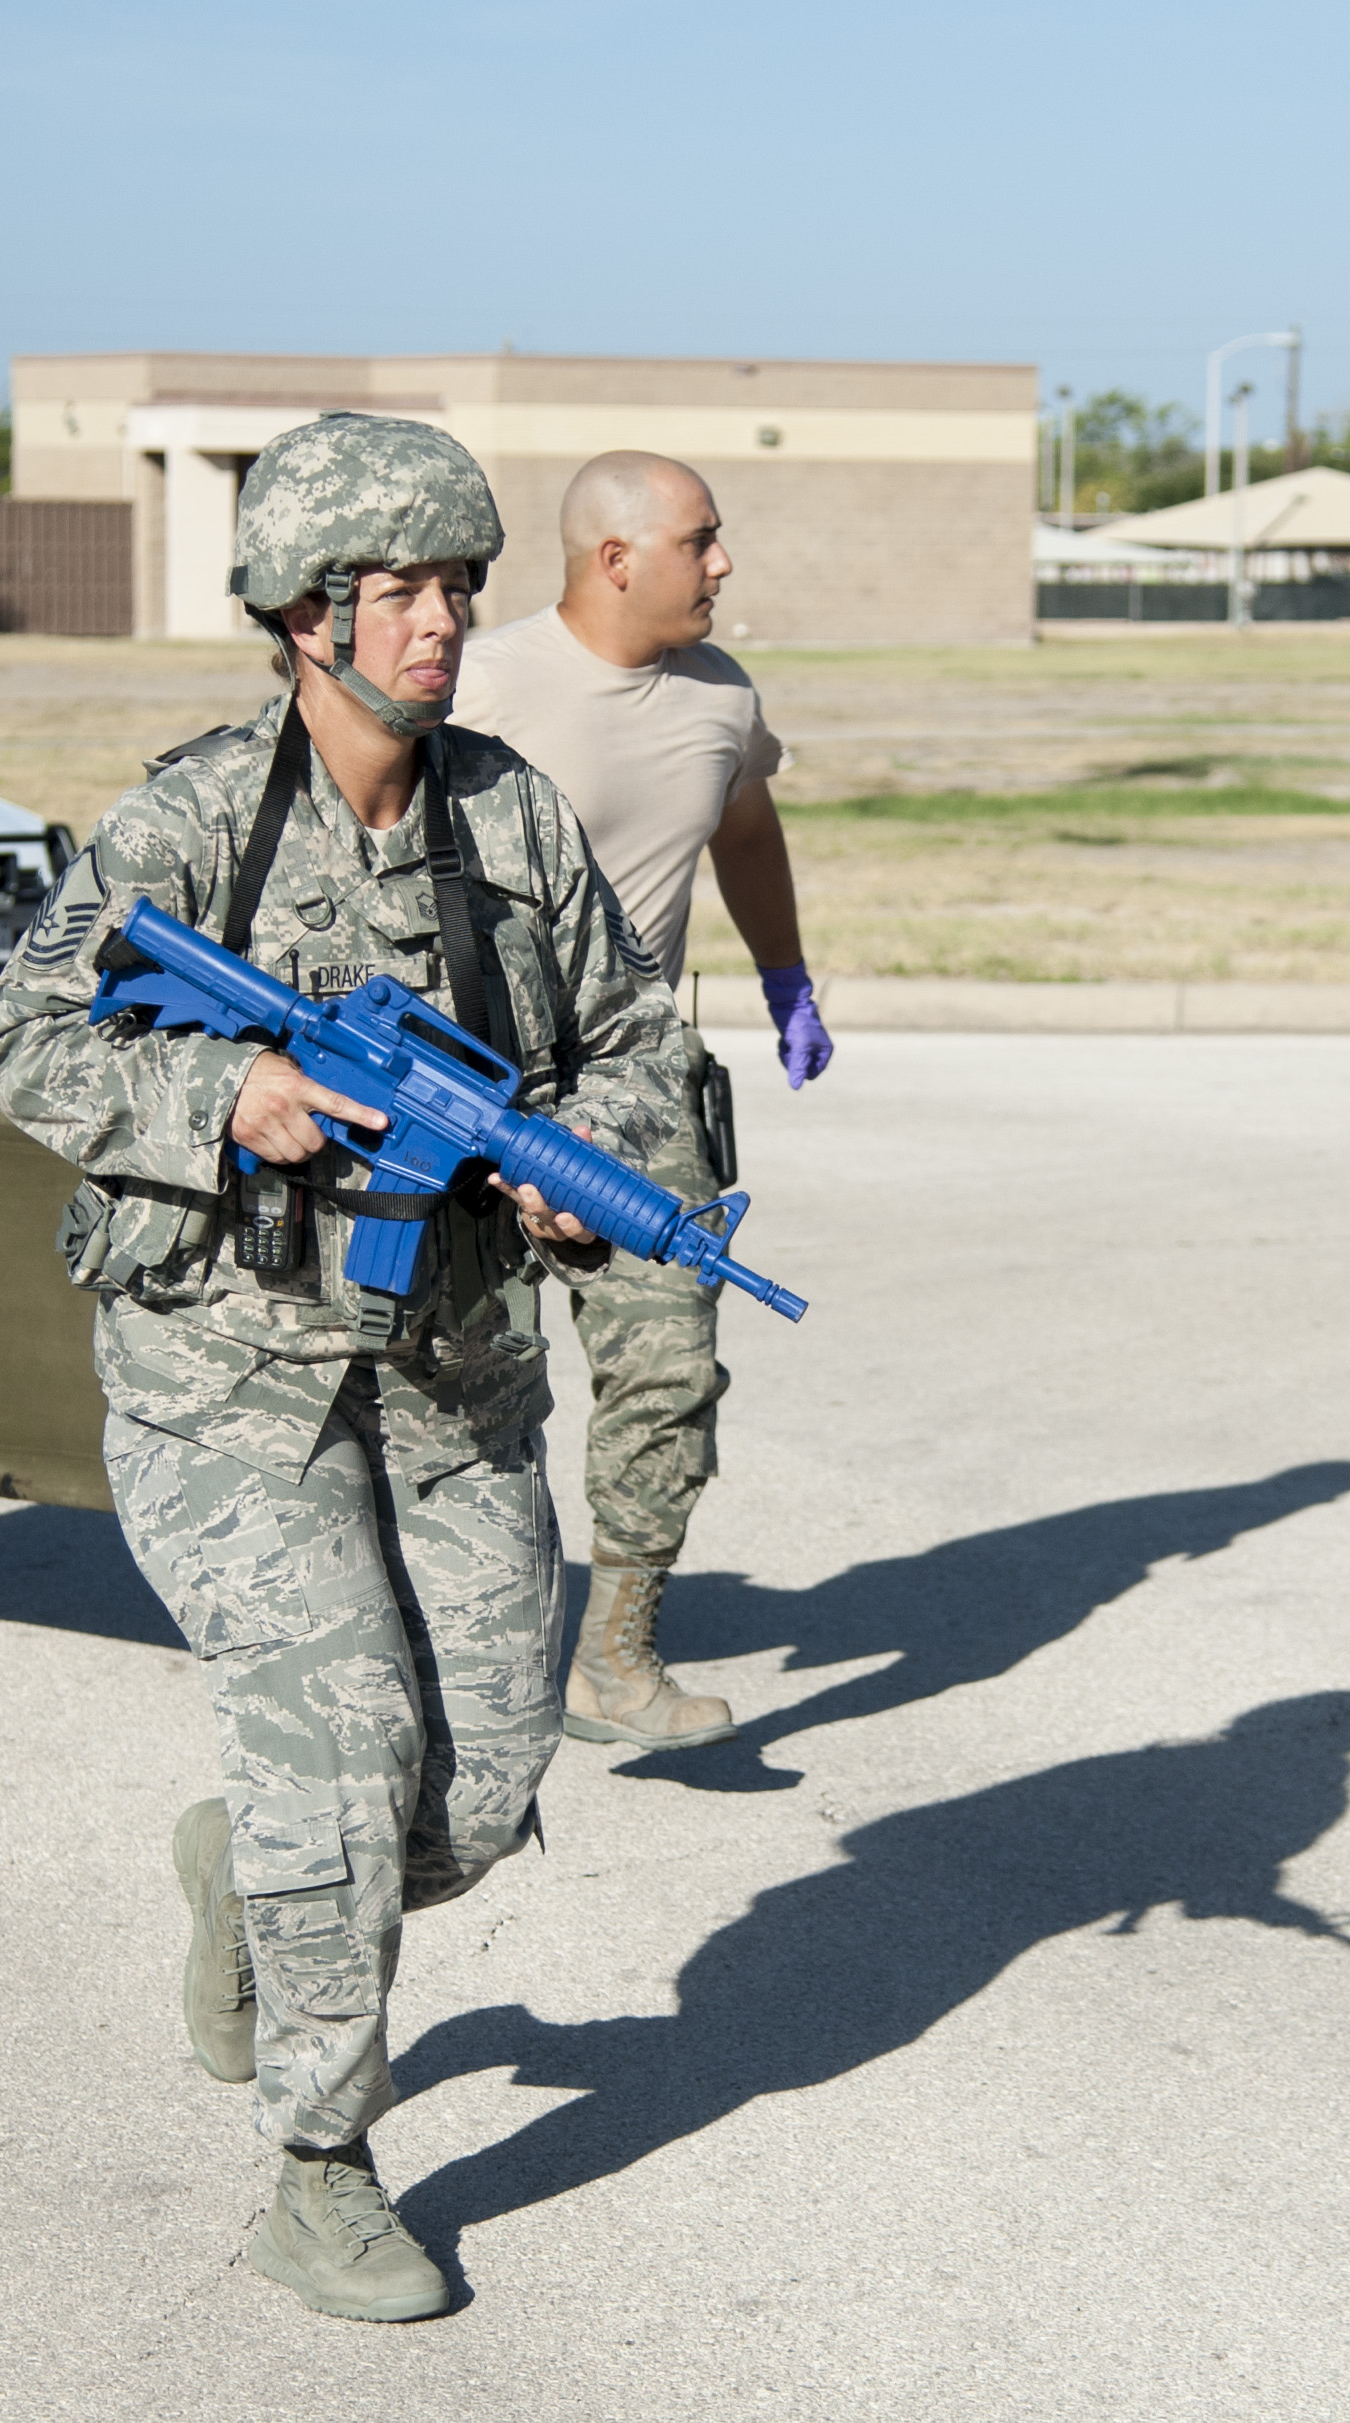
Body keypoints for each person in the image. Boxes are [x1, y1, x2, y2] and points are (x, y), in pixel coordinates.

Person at [0, 415, 693, 2323]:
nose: (445, 621)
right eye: (403, 592)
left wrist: (589, 1179)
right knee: (344, 1756)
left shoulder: (513, 817)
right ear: (306, 614)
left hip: (453, 1374)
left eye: (460, 586)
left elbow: (632, 1035)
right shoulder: (197, 823)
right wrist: (240, 1092)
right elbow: (23, 1041)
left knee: (476, 1790)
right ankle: (319, 2162)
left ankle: (250, 1876)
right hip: (227, 1382)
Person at [449, 450, 832, 1752]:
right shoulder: (480, 684)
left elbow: (745, 831)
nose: (722, 563)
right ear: (614, 558)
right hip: (471, 1080)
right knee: (455, 1374)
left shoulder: (721, 699)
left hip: (639, 1079)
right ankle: (434, 1636)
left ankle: (613, 1658)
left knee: (668, 1368)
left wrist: (785, 978)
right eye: (699, 540)